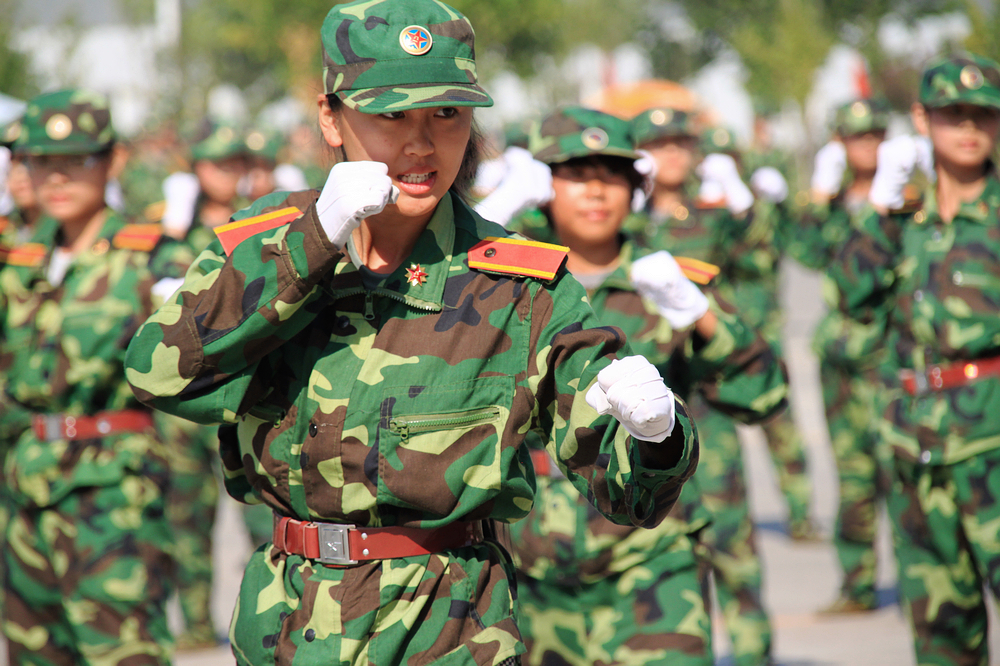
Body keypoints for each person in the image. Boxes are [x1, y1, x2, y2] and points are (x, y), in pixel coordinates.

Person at [124, 2, 699, 664]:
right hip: (290, 621)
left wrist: (658, 437)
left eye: (447, 114)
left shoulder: (519, 285)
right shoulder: (267, 245)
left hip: (448, 626)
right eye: (391, 115)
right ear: (330, 116)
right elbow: (156, 372)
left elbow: (625, 493)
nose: (421, 143)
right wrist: (310, 244)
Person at [504, 106, 788, 666]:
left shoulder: (668, 276)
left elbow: (763, 393)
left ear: (636, 187)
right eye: (575, 173)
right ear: (543, 185)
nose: (596, 190)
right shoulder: (508, 286)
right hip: (533, 566)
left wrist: (700, 316)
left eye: (612, 174)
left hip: (652, 555)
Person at [0, 89, 193, 664]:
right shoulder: (19, 260)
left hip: (113, 493)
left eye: (76, 160)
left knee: (123, 651)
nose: (57, 177)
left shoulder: (152, 257)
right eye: (41, 161)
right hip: (25, 491)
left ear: (114, 160)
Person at [831, 52, 1000, 664]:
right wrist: (880, 208)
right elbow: (850, 292)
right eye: (953, 113)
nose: (969, 126)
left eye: (983, 114)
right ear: (923, 119)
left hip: (991, 437)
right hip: (913, 443)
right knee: (941, 633)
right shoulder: (903, 220)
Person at [629, 106, 779, 666]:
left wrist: (745, 203)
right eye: (657, 144)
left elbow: (761, 256)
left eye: (680, 144)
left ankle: (754, 653)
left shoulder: (711, 214)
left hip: (702, 398)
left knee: (731, 544)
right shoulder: (623, 222)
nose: (671, 154)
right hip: (640, 403)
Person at [794, 98, 892, 613]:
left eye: (874, 135)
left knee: (902, 473)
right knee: (852, 475)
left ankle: (928, 585)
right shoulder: (832, 204)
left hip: (890, 353)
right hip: (840, 357)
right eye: (856, 137)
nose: (866, 145)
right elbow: (805, 253)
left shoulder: (905, 198)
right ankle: (858, 584)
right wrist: (818, 196)